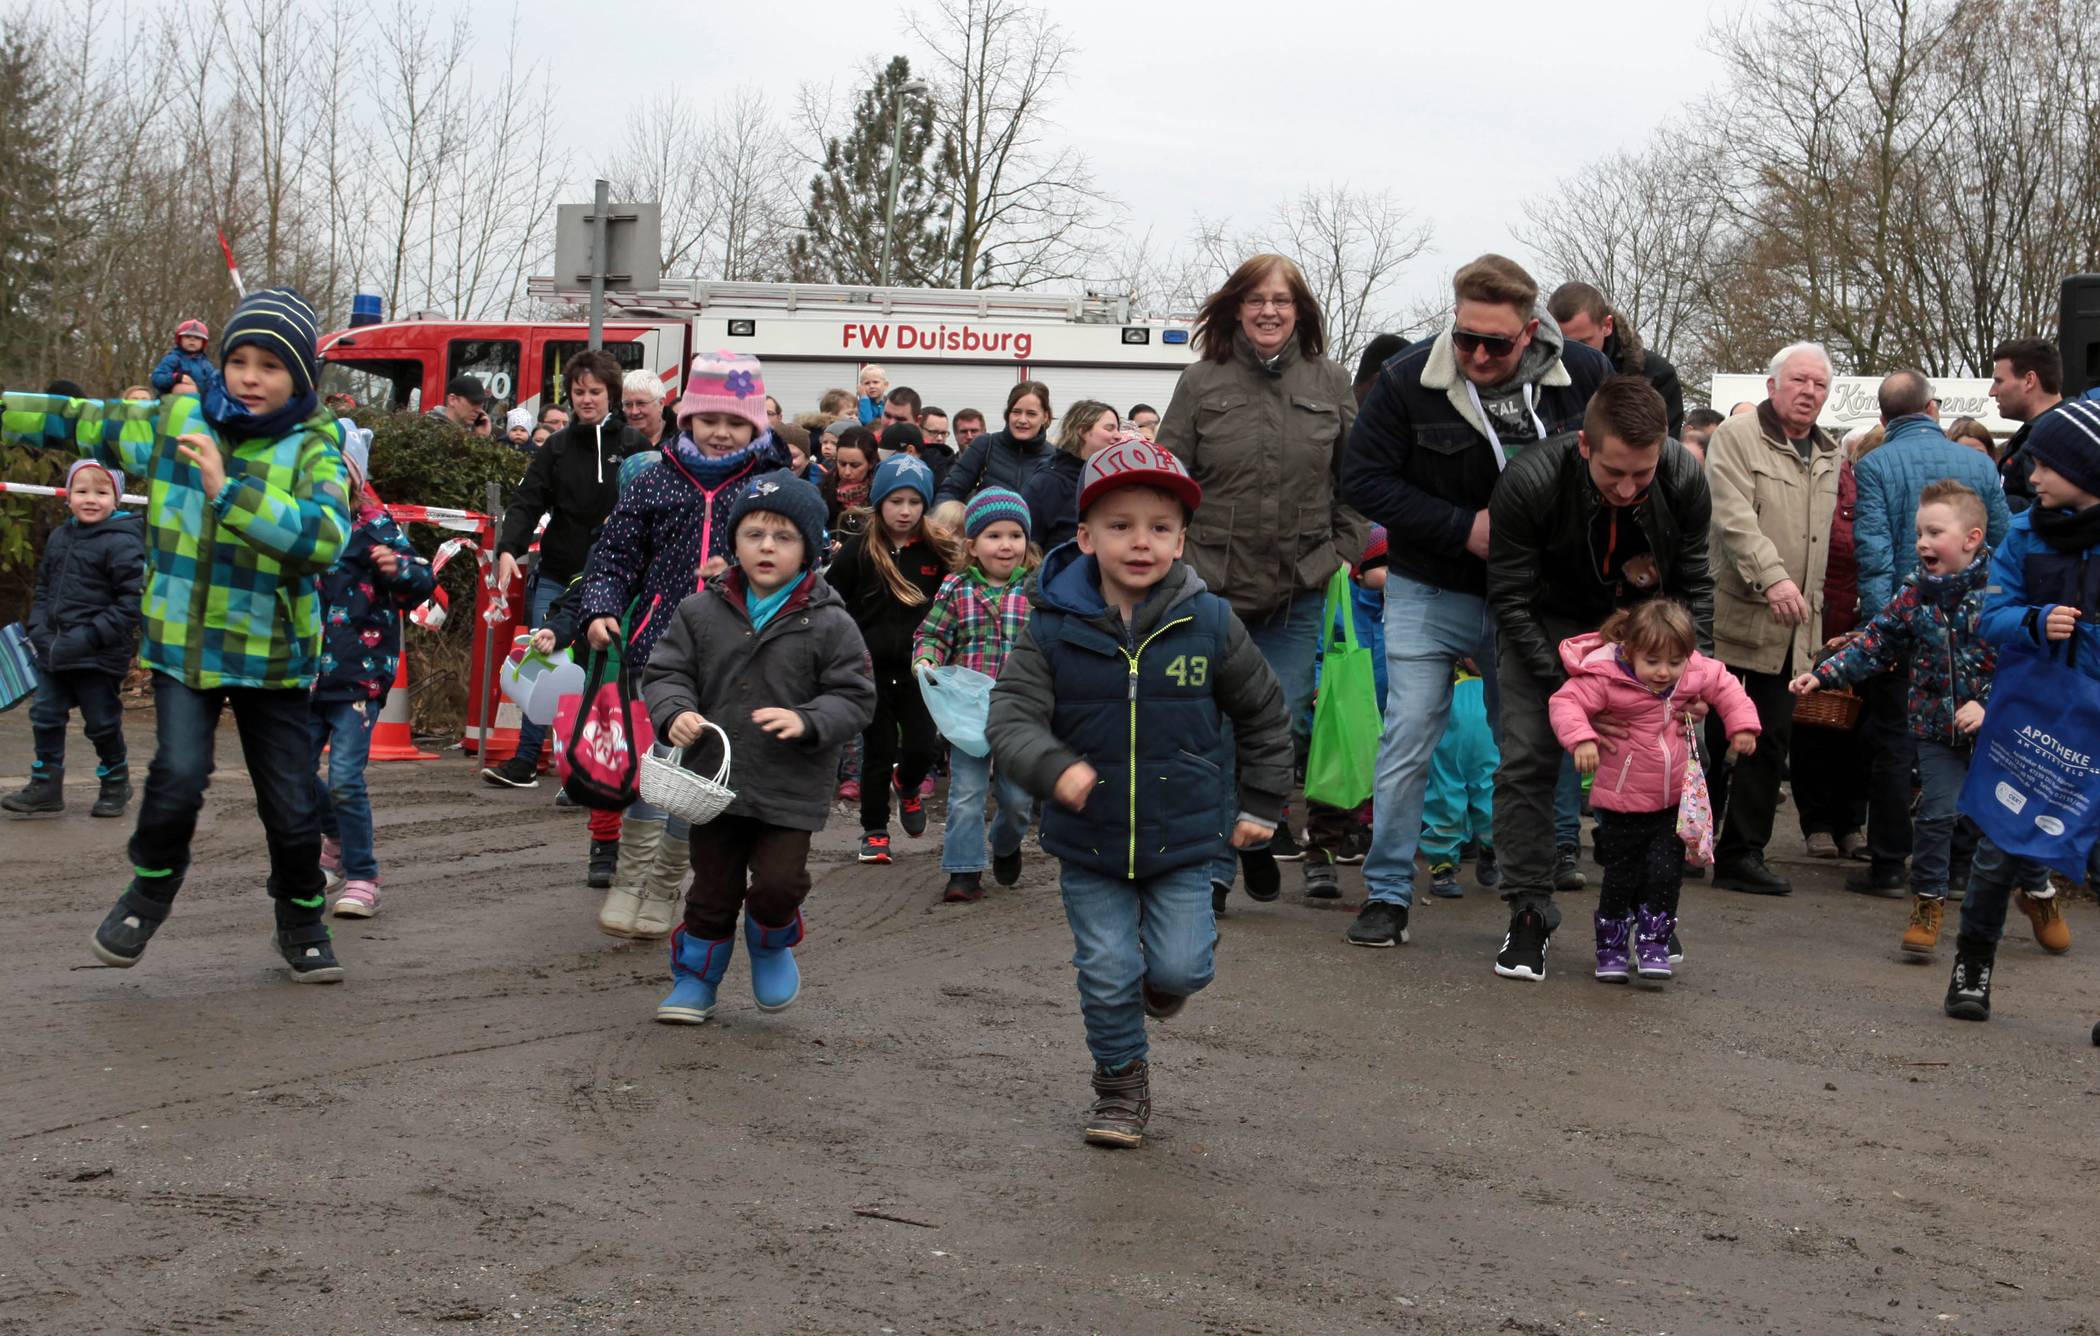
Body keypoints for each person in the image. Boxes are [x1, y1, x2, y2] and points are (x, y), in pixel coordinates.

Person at [4, 288, 354, 982]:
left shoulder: (315, 445)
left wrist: (229, 490)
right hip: (184, 651)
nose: (250, 377)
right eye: (239, 361)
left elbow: (325, 537)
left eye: (270, 366)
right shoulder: (177, 420)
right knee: (176, 779)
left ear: (301, 380)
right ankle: (151, 889)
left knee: (289, 809)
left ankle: (302, 912)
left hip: (273, 658)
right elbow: (79, 420)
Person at [986, 436, 1289, 1149]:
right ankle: (1119, 1085)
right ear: (1086, 537)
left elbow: (1264, 713)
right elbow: (1009, 717)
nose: (1141, 542)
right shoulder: (1052, 627)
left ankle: (1159, 988)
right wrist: (1052, 764)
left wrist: (1262, 804)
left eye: (1159, 527)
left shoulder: (1210, 622)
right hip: (1088, 839)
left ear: (1182, 539)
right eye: (1120, 526)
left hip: (1185, 839)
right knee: (1106, 968)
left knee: (1181, 966)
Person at [1338, 253, 1612, 949]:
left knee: (1524, 742)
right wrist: (1464, 528)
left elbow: (1621, 464)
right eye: (1466, 338)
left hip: (1532, 594)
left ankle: (1528, 898)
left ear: (1531, 331)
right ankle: (1388, 895)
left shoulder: (1582, 375)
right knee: (1408, 734)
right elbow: (1363, 478)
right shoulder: (1407, 382)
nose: (1479, 355)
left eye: (1497, 342)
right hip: (1431, 583)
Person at [1482, 375, 1712, 977]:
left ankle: (1652, 908)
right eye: (1615, 472)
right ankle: (1529, 908)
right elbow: (1509, 600)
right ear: (1584, 444)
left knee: (1668, 762)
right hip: (1548, 624)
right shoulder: (1529, 481)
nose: (1630, 487)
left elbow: (1694, 586)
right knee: (1529, 756)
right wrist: (1570, 690)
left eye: (1643, 472)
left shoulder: (1684, 478)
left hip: (1648, 629)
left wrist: (1697, 676)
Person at [1158, 253, 1367, 909]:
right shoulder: (1200, 382)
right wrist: (1171, 556)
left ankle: (1253, 832)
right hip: (1213, 588)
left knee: (1278, 724)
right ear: (1236, 309)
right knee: (1215, 727)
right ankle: (1222, 862)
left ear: (1301, 310)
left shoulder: (1332, 380)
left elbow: (1357, 482)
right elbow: (1166, 480)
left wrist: (1341, 550)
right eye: (1256, 299)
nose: (1269, 310)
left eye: (1282, 300)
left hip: (1299, 583)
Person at [641, 472, 876, 1024]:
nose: (767, 546)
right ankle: (695, 980)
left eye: (784, 536)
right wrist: (674, 712)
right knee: (712, 889)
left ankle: (771, 941)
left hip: (790, 783)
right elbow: (666, 671)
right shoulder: (700, 611)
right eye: (754, 534)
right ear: (735, 542)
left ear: (810, 548)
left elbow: (855, 696)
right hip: (712, 782)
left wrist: (807, 719)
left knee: (778, 882)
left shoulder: (832, 622)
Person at [576, 352, 788, 940]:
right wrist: (598, 608)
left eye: (736, 422)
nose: (721, 433)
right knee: (657, 768)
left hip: (738, 658)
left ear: (756, 427)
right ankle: (629, 879)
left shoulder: (773, 488)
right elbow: (614, 554)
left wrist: (746, 572)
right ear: (686, 416)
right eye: (708, 418)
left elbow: (805, 563)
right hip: (658, 651)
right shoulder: (656, 480)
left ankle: (667, 885)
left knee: (698, 777)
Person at [1792, 481, 1996, 957]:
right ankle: (1928, 903)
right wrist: (1821, 677)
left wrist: (1989, 701)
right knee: (1935, 813)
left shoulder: (2001, 591)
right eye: (1919, 532)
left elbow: (2023, 661)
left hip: (1997, 727)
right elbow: (1876, 643)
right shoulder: (1914, 592)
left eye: (1935, 532)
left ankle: (2036, 890)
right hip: (1934, 729)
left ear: (1972, 538)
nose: (1922, 542)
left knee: (2004, 819)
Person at [1944, 402, 2100, 1021]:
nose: (2032, 476)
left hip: (2092, 723)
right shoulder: (2026, 534)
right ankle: (1972, 968)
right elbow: (1991, 618)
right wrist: (2036, 621)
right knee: (1999, 848)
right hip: (2030, 718)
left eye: (2047, 466)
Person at [1845, 370, 2012, 897]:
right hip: (1979, 626)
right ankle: (1961, 867)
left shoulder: (1873, 464)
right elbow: (2004, 539)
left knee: (1896, 745)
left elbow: (1871, 552)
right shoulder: (1979, 464)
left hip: (1907, 621)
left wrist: (1877, 629)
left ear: (1884, 418)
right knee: (1975, 751)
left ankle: (1890, 863)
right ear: (1933, 409)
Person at [1550, 600, 1760, 982]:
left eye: (1675, 662)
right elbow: (1566, 702)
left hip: (1670, 802)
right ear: (1628, 652)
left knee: (1666, 875)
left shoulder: (1691, 672)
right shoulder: (1605, 677)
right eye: (1653, 662)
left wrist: (1741, 725)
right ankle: (1611, 946)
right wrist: (1582, 739)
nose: (1664, 672)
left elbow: (1725, 684)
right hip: (1621, 802)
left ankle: (1654, 942)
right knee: (1620, 877)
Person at [1701, 342, 1843, 896]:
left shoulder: (1830, 452)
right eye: (1800, 380)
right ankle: (1694, 839)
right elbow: (1731, 517)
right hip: (1737, 618)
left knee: (1769, 740)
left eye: (1820, 385)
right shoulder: (1736, 438)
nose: (1810, 392)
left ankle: (1743, 853)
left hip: (1794, 629)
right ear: (1772, 386)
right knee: (1711, 735)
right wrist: (1773, 577)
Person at [484, 348, 648, 812]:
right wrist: (509, 549)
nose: (587, 399)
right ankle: (526, 759)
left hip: (617, 578)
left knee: (598, 673)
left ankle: (585, 765)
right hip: (558, 572)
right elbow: (526, 501)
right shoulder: (555, 447)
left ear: (611, 394)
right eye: (579, 392)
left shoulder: (634, 445)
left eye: (595, 391)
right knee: (546, 660)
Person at [309, 427, 436, 918]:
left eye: (335, 475)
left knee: (344, 778)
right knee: (290, 773)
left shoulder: (378, 531)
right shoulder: (300, 530)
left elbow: (421, 582)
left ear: (355, 483)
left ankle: (363, 875)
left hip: (358, 679)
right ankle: (336, 837)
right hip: (303, 675)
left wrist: (397, 569)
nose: (323, 485)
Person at [827, 453, 955, 864]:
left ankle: (909, 785)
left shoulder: (937, 553)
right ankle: (875, 830)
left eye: (914, 502)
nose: (905, 511)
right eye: (896, 501)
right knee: (877, 749)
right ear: (879, 501)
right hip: (870, 671)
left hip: (921, 670)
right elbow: (830, 601)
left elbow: (958, 596)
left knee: (922, 746)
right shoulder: (858, 551)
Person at [911, 487, 1038, 903]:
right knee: (966, 793)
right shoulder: (956, 588)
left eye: (1015, 535)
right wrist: (927, 659)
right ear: (972, 545)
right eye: (994, 536)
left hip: (1021, 711)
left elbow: (1053, 645)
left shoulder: (1037, 592)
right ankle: (963, 871)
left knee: (1017, 800)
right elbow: (932, 633)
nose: (1006, 545)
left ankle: (1005, 844)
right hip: (968, 713)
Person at [2, 459, 143, 818]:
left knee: (101, 722)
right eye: (81, 491)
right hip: (52, 648)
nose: (90, 499)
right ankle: (46, 785)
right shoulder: (60, 536)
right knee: (45, 715)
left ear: (117, 497)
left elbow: (131, 602)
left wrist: (90, 636)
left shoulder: (123, 541)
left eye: (101, 492)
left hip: (98, 654)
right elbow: (45, 586)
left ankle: (115, 780)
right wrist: (38, 627)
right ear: (68, 497)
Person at [1300, 526, 1392, 892]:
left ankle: (1364, 840)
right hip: (1345, 705)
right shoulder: (1341, 601)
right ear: (1359, 569)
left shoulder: (1401, 609)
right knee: (1334, 783)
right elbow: (1320, 646)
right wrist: (1320, 684)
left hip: (1385, 708)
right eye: (1382, 565)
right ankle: (1320, 856)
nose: (1392, 574)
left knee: (1383, 785)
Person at [1547, 282, 1685, 435]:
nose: (1572, 353)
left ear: (1607, 325)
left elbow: (1664, 449)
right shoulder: (1535, 376)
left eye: (1583, 343)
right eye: (1561, 344)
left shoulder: (1656, 375)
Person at [1418, 659, 1496, 900]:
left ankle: (1490, 846)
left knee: (1490, 787)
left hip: (1486, 706)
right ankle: (1443, 865)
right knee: (1445, 793)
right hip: (1445, 706)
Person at [1022, 400, 1120, 551]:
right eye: (1109, 428)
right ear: (1082, 431)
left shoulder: (1114, 481)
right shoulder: (1046, 483)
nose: (1118, 436)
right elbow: (1027, 544)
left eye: (1117, 429)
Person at [937, 381, 1054, 503]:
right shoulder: (985, 446)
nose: (1022, 420)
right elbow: (950, 491)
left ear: (1045, 417)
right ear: (1008, 414)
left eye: (1031, 414)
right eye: (1016, 412)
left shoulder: (1055, 459)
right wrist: (949, 518)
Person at [1988, 336, 2065, 514]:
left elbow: (2045, 512)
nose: (1992, 392)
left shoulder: (2053, 436)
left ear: (2029, 380)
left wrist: (1988, 503)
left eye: (1999, 381)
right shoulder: (2044, 430)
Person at [822, 428, 877, 544]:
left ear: (871, 463)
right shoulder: (823, 492)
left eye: (855, 465)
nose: (847, 472)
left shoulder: (880, 497)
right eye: (842, 464)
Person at [150, 318, 220, 400]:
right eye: (187, 336)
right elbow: (157, 378)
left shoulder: (206, 364)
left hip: (198, 404)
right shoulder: (172, 359)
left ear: (203, 343)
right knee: (182, 388)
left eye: (197, 338)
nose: (192, 339)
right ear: (180, 340)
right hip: (172, 403)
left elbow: (214, 385)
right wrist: (176, 378)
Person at [621, 369, 671, 450]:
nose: (634, 411)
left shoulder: (681, 440)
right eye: (628, 404)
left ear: (660, 404)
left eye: (641, 403)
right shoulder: (614, 440)